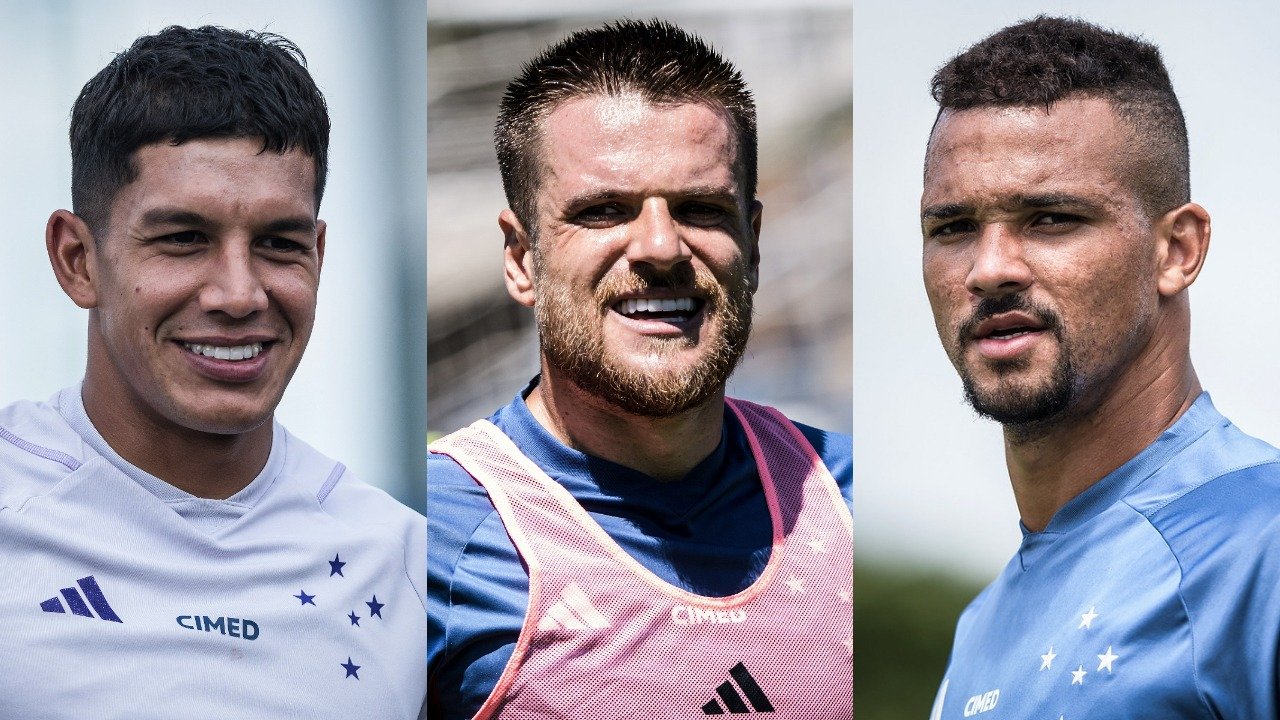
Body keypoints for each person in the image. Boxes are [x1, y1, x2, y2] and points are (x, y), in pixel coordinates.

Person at [427, 19, 852, 719]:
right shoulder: (427, 539)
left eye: (700, 209)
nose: (660, 246)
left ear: (754, 240)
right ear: (520, 258)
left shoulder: (846, 495)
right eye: (604, 211)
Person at [0, 26, 427, 718]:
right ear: (78, 261)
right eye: (182, 240)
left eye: (279, 244)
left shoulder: (405, 564)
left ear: (318, 254)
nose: (239, 294)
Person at [921, 16, 1280, 718]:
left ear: (1176, 250)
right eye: (954, 228)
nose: (990, 268)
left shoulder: (1260, 547)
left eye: (1051, 218)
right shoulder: (978, 633)